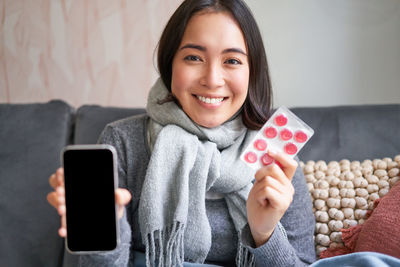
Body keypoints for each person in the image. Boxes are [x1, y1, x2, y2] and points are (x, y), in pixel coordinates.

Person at [47, 0, 316, 266]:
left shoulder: (275, 155)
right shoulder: (125, 141)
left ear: (251, 72)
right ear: (170, 64)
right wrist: (108, 232)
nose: (212, 79)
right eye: (193, 57)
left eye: (232, 60)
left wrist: (264, 233)